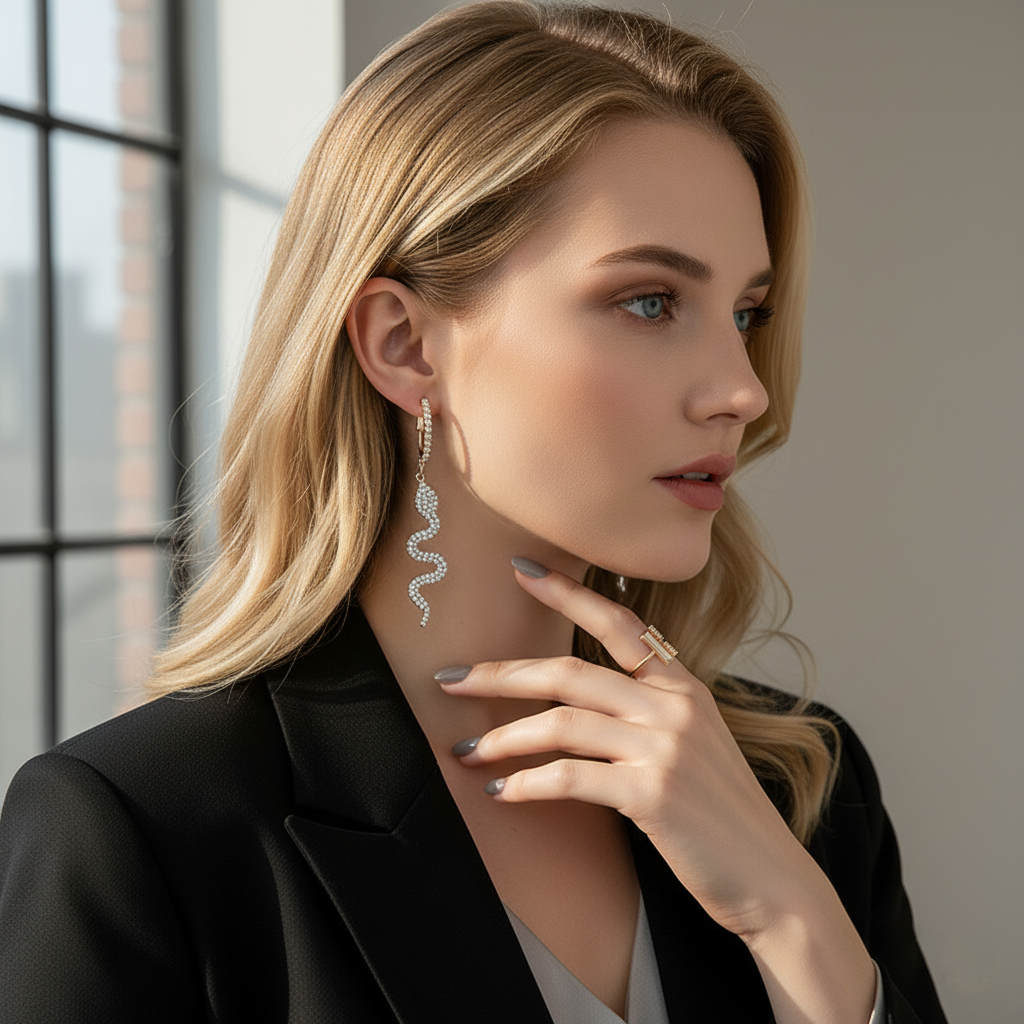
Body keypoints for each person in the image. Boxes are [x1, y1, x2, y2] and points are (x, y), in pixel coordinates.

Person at [0, 3, 947, 1021]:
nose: (741, 389)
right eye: (649, 301)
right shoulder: (142, 830)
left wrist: (787, 917)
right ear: (405, 345)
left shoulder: (798, 783)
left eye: (745, 313)